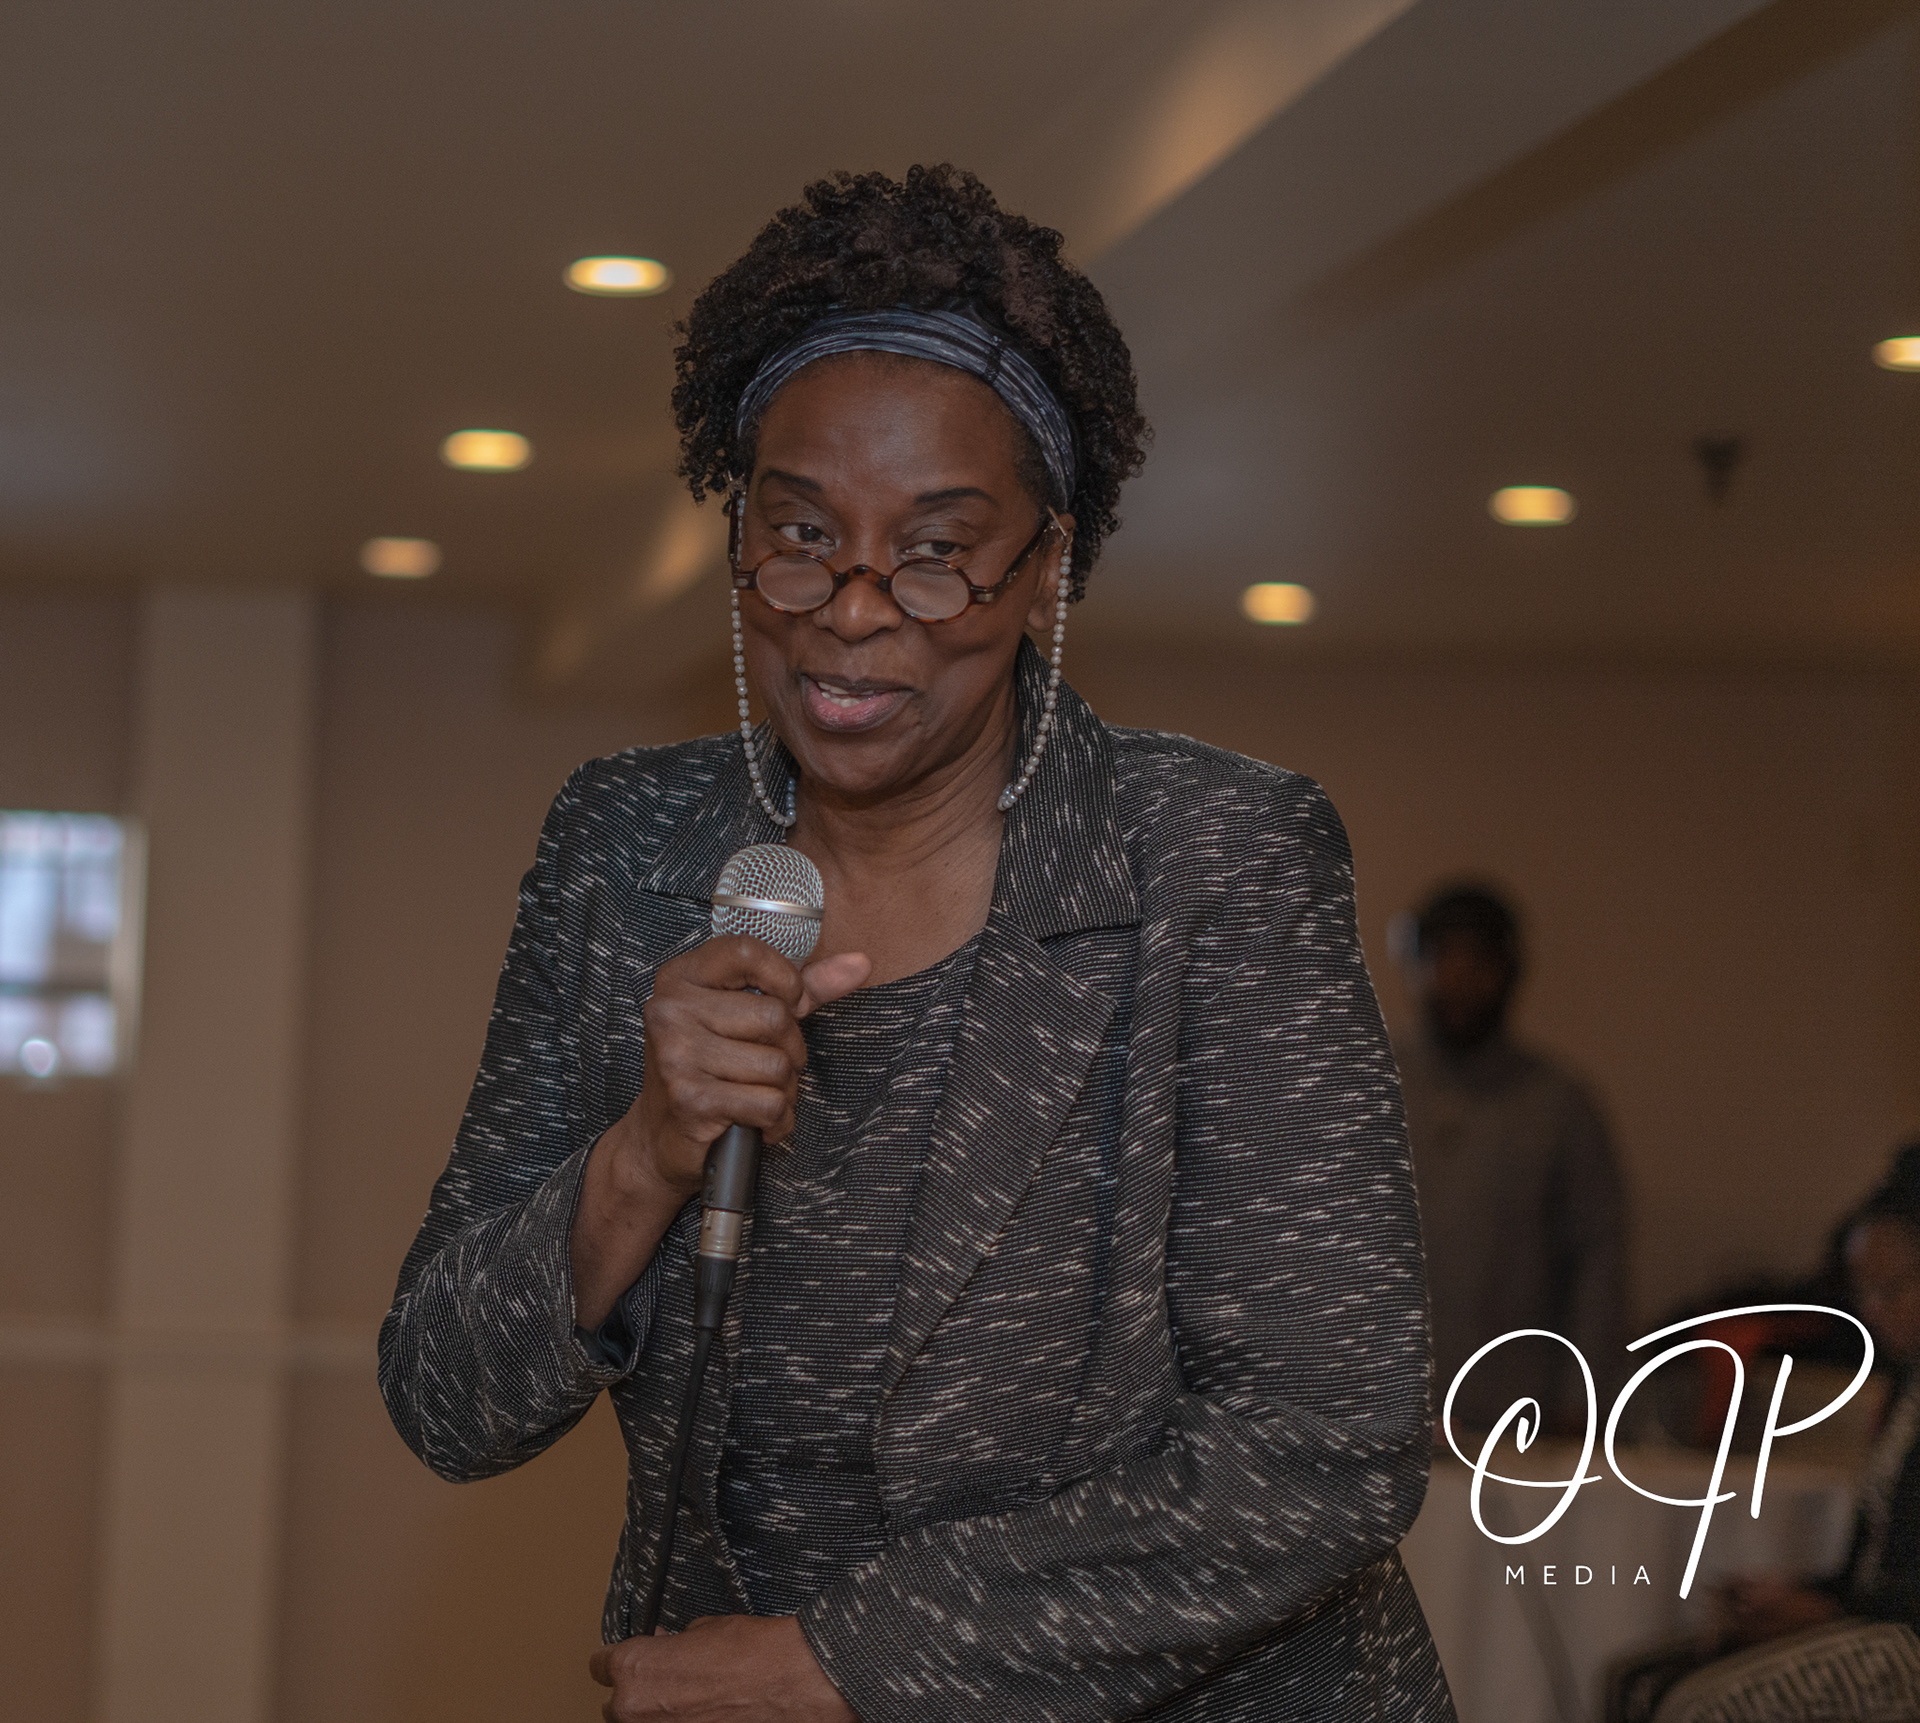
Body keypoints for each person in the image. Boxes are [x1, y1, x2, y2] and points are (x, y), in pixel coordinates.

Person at [379, 165, 1452, 1722]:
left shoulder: (1212, 856)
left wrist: (848, 1660)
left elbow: (1326, 1438)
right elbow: (443, 1397)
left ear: (1047, 566)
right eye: (800, 533)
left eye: (939, 549)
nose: (852, 609)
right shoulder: (624, 848)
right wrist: (644, 1151)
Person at [1607, 1143, 1920, 1723]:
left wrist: (1830, 1611)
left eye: (1892, 1289)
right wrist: (1801, 1598)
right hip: (1875, 1616)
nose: (1872, 1311)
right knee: (1636, 1681)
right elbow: (1876, 1560)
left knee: (1703, 1706)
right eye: (1863, 1292)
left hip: (1906, 1637)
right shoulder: (1904, 1385)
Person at [1395, 884, 1628, 1433]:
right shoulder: (1371, 1084)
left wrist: (1583, 1397)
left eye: (1477, 963)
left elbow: (1598, 1263)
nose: (1458, 980)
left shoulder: (1559, 1106)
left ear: (1508, 972)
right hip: (1383, 1409)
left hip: (1518, 1415)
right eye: (1442, 960)